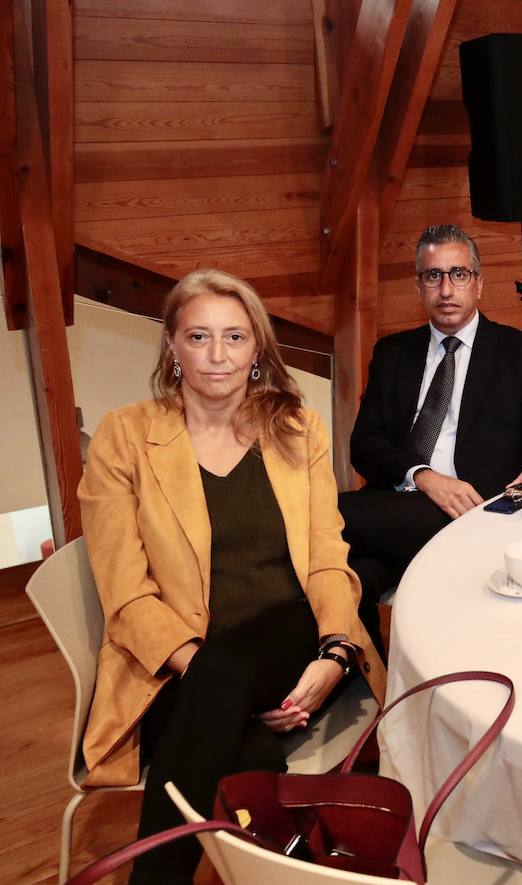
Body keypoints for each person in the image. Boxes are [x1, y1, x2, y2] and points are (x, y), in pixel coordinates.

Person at [78, 269, 386, 884]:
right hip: (179, 659)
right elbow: (127, 595)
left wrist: (335, 651)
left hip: (291, 634)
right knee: (249, 751)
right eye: (198, 336)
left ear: (257, 347)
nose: (217, 356)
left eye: (235, 337)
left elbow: (327, 557)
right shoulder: (126, 436)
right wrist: (222, 681)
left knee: (225, 696)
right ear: (171, 345)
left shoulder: (296, 427)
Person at [339, 224, 522, 640]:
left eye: (459, 274)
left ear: (478, 283)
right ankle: (381, 681)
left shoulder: (520, 351)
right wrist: (424, 476)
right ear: (419, 286)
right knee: (352, 580)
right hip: (400, 505)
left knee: (325, 518)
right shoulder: (393, 353)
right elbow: (363, 446)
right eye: (433, 276)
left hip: (474, 512)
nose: (446, 289)